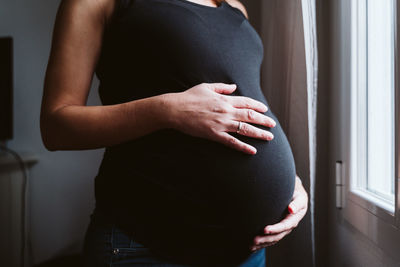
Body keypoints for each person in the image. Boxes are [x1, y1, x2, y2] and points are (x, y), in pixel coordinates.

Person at [40, 0, 309, 266]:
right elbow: (56, 127)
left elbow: (245, 103)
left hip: (247, 253)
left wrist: (290, 186)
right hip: (149, 250)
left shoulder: (234, 8)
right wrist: (168, 109)